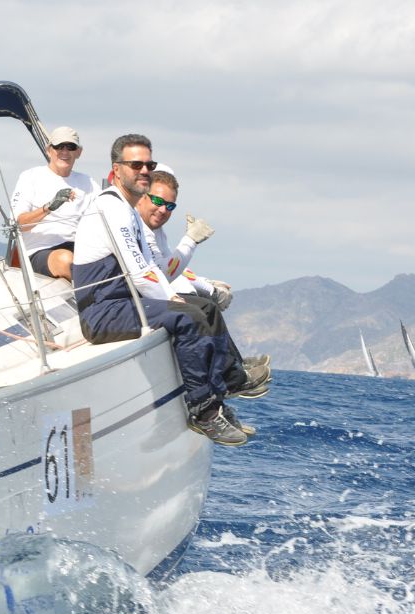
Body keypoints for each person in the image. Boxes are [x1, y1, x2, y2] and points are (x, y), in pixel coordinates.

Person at [71, 134, 270, 446]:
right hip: (102, 312)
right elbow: (139, 270)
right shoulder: (112, 208)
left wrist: (198, 290)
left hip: (124, 302)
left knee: (203, 308)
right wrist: (171, 298)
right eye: (135, 164)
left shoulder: (129, 210)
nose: (144, 170)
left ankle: (226, 384)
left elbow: (154, 267)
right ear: (117, 169)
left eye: (148, 164)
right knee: (187, 318)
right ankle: (203, 410)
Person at [135, 168, 270, 434]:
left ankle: (231, 377)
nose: (163, 210)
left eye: (169, 205)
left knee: (207, 306)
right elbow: (158, 272)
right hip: (137, 298)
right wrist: (190, 242)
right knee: (195, 313)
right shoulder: (136, 228)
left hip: (152, 291)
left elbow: (168, 268)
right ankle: (206, 404)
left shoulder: (155, 232)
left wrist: (205, 285)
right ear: (142, 196)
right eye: (158, 201)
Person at [9, 126, 99, 279]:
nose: (64, 152)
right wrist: (49, 207)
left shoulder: (88, 182)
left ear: (78, 152)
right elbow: (19, 224)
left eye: (70, 147)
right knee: (66, 260)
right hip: (40, 251)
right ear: (48, 150)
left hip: (80, 249)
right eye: (59, 146)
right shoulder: (30, 177)